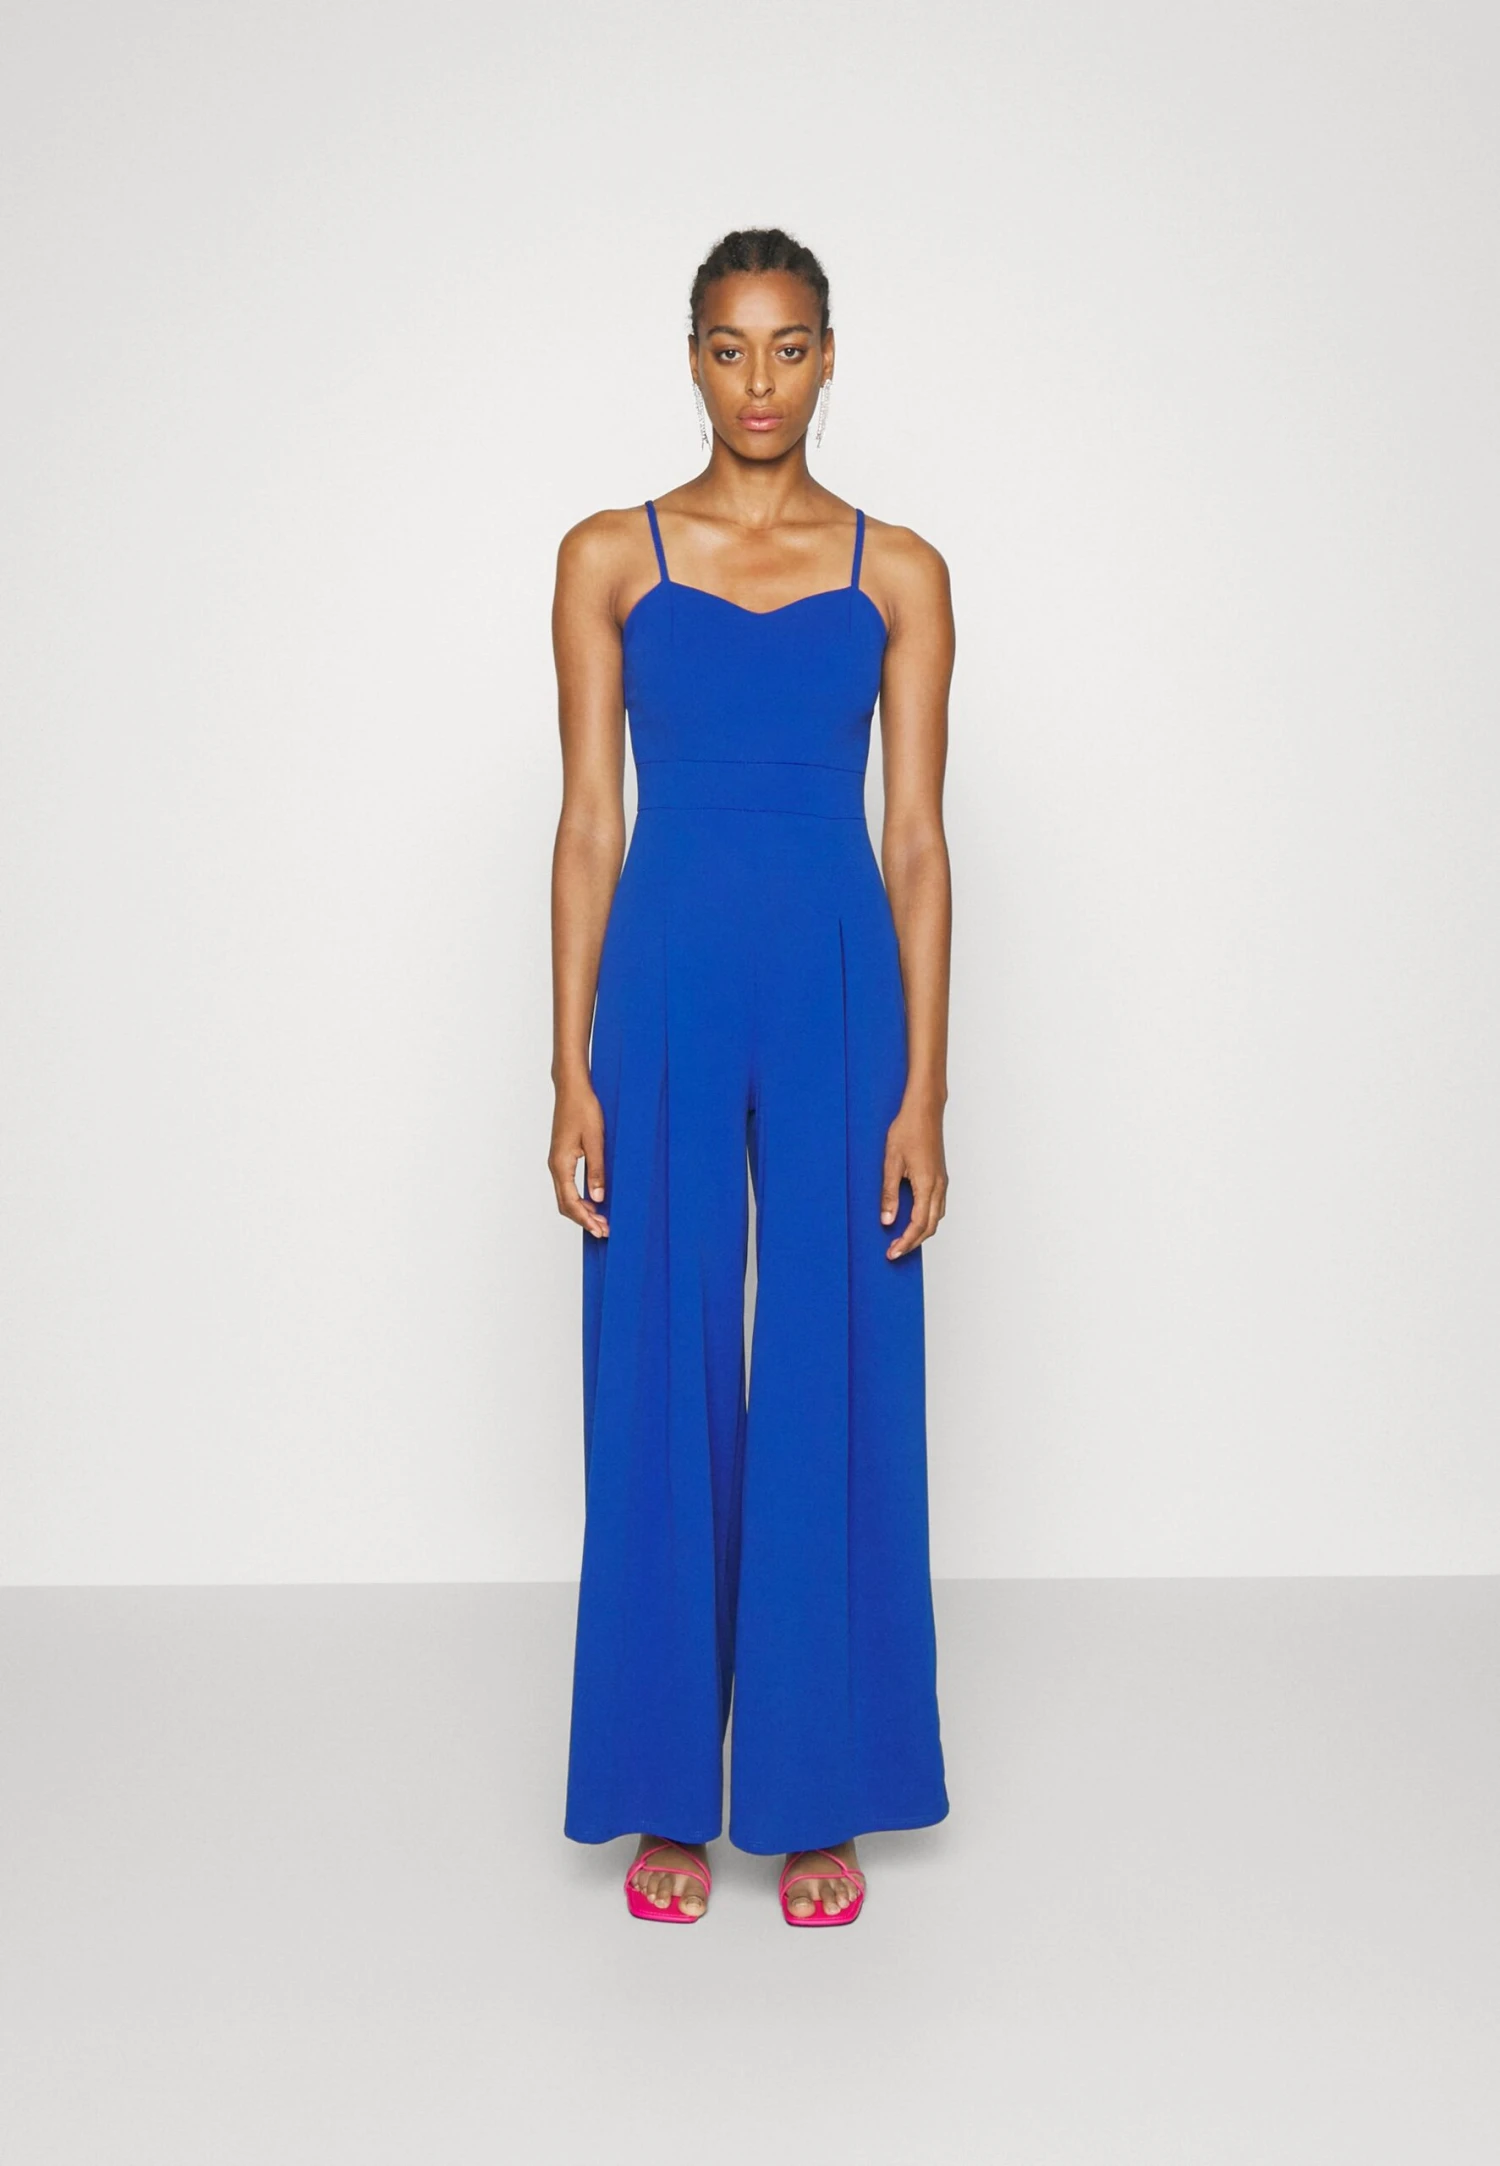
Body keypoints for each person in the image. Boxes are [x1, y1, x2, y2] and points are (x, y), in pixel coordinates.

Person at [548, 227, 953, 1927]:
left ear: (831, 355)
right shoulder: (608, 557)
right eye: (731, 347)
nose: (761, 380)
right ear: (695, 357)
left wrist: (926, 1091)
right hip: (663, 980)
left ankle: (813, 1787)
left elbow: (915, 840)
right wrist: (567, 1068)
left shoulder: (901, 570)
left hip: (840, 983)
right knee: (656, 1350)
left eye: (791, 347)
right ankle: (664, 1787)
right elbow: (589, 822)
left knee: (838, 1359)